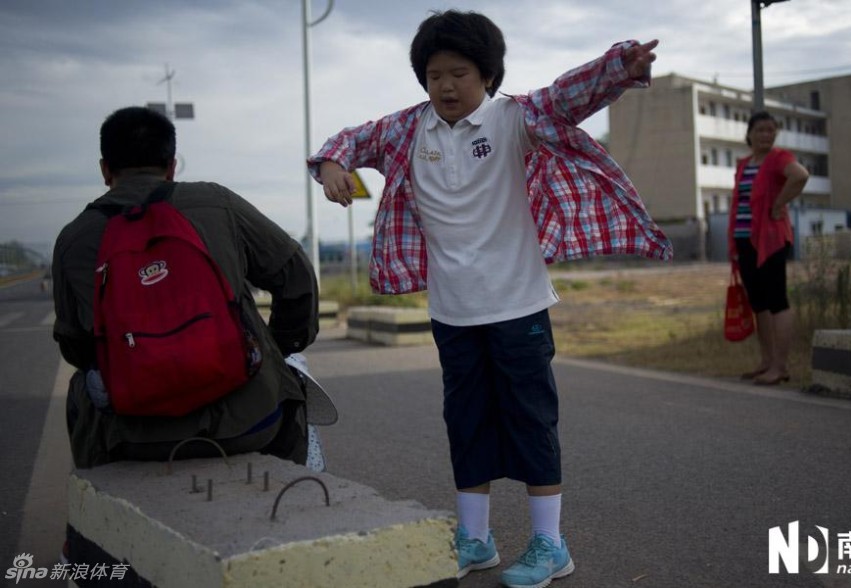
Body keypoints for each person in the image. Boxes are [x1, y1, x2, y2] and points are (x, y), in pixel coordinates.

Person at [308, 10, 671, 587]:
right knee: (466, 421)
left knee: (531, 421)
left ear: (488, 75)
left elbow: (567, 97)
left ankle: (551, 545)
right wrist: (332, 163)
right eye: (434, 76)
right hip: (452, 311)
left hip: (518, 305)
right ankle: (475, 540)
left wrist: (619, 66)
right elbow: (352, 139)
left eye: (460, 72)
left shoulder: (513, 119)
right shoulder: (408, 130)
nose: (446, 86)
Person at [53, 106, 319, 469]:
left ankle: (92, 511)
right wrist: (281, 346)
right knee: (285, 380)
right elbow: (295, 275)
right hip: (250, 424)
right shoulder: (215, 202)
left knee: (81, 388)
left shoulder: (75, 238)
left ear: (104, 170)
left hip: (133, 438)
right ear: (172, 165)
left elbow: (76, 345)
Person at [727, 111, 809, 386]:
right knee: (758, 302)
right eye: (760, 130)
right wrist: (734, 244)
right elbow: (739, 203)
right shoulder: (744, 164)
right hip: (745, 240)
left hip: (770, 240)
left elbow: (800, 176)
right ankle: (766, 362)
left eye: (771, 130)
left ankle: (780, 366)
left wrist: (778, 204)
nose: (766, 134)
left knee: (776, 301)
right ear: (749, 133)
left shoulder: (779, 158)